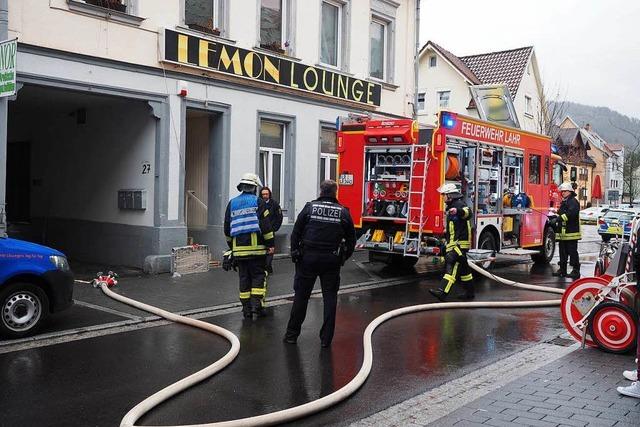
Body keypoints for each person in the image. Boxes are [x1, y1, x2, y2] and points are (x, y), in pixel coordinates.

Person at [283, 180, 356, 348]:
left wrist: (295, 253)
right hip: (331, 260)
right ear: (335, 193)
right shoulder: (343, 212)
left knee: (301, 297)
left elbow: (296, 233)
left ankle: (291, 336)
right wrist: (344, 257)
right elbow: (352, 239)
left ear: (321, 191)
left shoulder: (309, 208)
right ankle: (325, 340)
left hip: (307, 258)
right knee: (330, 299)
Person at [224, 173, 275, 319]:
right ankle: (256, 307)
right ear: (254, 188)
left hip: (239, 252)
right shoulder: (258, 202)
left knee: (244, 278)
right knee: (258, 277)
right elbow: (266, 226)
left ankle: (246, 309)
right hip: (257, 251)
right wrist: (270, 244)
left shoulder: (232, 203)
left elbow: (227, 228)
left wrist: (231, 246)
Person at [429, 183, 475, 302]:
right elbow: (452, 229)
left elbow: (468, 212)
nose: (442, 197)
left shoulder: (459, 205)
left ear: (450, 195)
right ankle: (470, 293)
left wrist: (458, 211)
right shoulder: (450, 207)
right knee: (464, 270)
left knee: (452, 266)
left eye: (444, 195)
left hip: (459, 244)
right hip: (454, 243)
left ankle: (442, 292)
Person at [552, 182, 581, 279]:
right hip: (563, 234)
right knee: (562, 252)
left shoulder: (573, 202)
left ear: (570, 191)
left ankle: (576, 271)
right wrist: (555, 216)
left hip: (571, 233)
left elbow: (570, 214)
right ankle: (562, 270)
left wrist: (558, 219)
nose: (563, 193)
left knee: (572, 252)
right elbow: (562, 213)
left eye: (565, 191)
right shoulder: (565, 201)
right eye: (562, 191)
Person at [260, 186, 283, 274]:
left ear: (269, 194)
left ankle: (268, 266)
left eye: (266, 194)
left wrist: (275, 228)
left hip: (270, 231)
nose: (265, 196)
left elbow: (279, 217)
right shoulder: (258, 203)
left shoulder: (275, 204)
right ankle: (263, 265)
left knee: (270, 249)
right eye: (263, 194)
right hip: (260, 231)